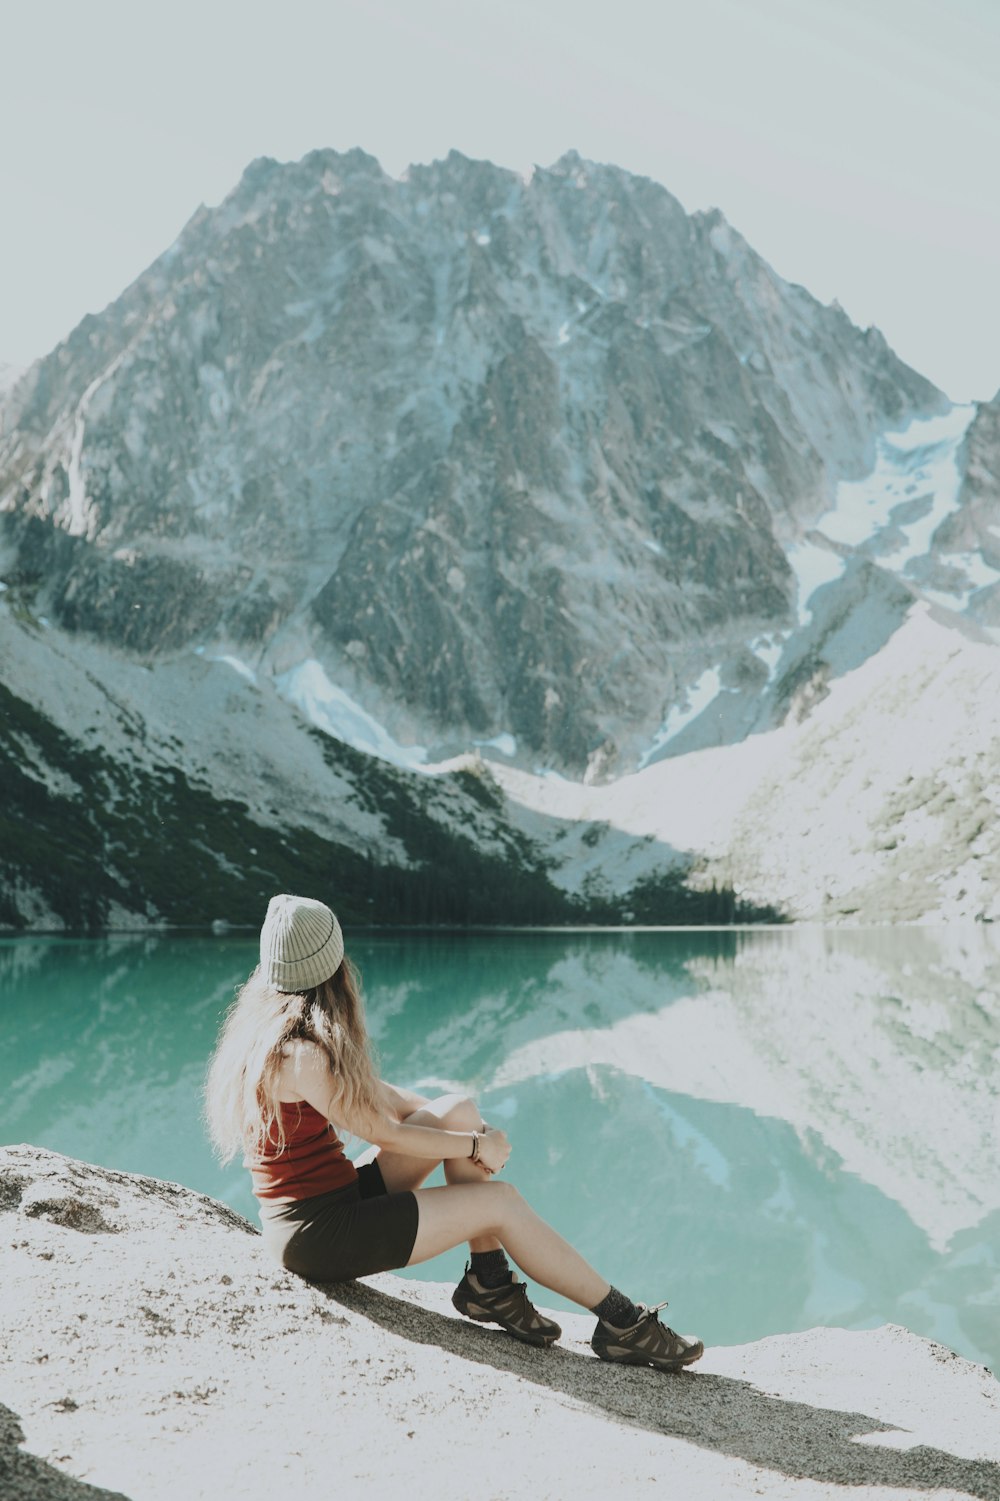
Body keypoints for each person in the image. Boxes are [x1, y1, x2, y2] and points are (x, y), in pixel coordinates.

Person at [205, 893, 704, 1372]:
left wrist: (473, 1128)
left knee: (459, 1108)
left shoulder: (276, 1037)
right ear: (334, 967)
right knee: (501, 1203)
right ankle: (622, 1323)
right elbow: (387, 1132)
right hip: (318, 1235)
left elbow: (393, 1101)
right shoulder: (302, 1056)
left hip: (331, 1205)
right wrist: (474, 1147)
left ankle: (488, 1284)